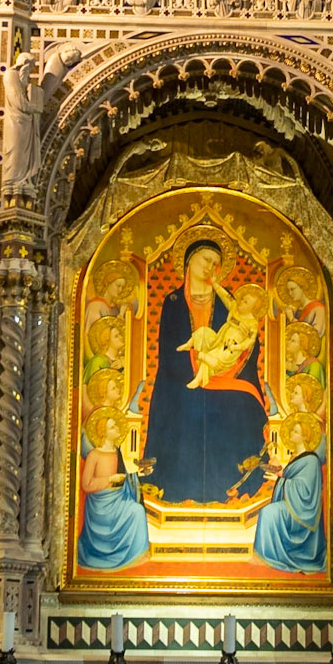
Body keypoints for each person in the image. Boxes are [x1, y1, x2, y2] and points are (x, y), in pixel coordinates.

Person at [144, 239, 267, 505]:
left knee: (238, 404)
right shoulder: (173, 302)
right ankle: (176, 490)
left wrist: (223, 370)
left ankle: (229, 487)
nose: (210, 266)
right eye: (205, 259)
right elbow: (168, 349)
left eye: (215, 262)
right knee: (185, 407)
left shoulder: (231, 304)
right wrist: (195, 371)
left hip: (225, 377)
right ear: (189, 263)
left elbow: (248, 346)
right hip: (180, 380)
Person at [76, 413, 151, 570]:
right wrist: (109, 479)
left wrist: (139, 474)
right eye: (113, 427)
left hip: (118, 499)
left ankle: (136, 553)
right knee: (136, 511)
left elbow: (124, 477)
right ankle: (114, 554)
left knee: (137, 510)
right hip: (100, 506)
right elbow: (86, 485)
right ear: (103, 432)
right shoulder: (94, 455)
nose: (118, 428)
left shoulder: (117, 451)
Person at [254, 427, 327, 572]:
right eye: (292, 430)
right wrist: (278, 471)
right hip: (294, 504)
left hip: (303, 510)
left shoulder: (311, 460)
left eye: (296, 432)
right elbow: (289, 476)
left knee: (269, 513)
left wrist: (280, 479)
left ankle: (270, 556)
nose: (291, 433)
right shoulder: (297, 457)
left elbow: (306, 490)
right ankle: (267, 555)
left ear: (304, 436)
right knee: (268, 512)